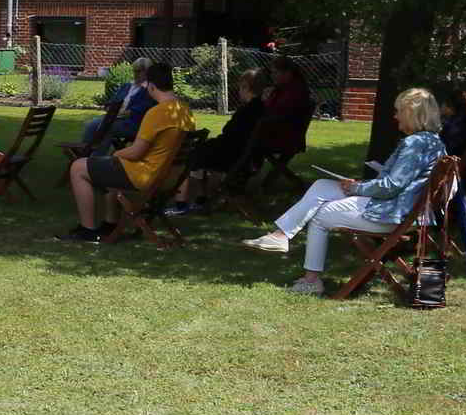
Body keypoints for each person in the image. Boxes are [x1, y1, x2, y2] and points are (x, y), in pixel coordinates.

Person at [240, 87, 446, 295]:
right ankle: (281, 235)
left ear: (411, 113)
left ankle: (310, 280)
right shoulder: (433, 142)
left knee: (320, 214)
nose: (395, 116)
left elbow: (391, 187)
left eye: (398, 111)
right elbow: (397, 184)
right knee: (322, 185)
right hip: (404, 209)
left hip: (395, 213)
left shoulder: (415, 144)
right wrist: (358, 186)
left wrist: (357, 187)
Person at [59, 63, 195, 242]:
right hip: (168, 176)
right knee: (107, 169)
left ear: (151, 85)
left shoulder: (156, 113)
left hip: (145, 175)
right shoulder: (185, 111)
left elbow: (136, 152)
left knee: (78, 167)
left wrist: (116, 155)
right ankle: (110, 224)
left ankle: (88, 230)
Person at [165, 68, 268, 216]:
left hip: (233, 157)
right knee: (199, 152)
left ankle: (182, 203)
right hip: (248, 157)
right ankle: (201, 199)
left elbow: (229, 133)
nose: (239, 91)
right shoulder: (261, 109)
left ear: (246, 87)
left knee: (190, 156)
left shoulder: (246, 111)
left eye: (240, 87)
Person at [83, 56, 154, 148]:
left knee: (102, 127)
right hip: (115, 118)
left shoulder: (150, 90)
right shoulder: (127, 86)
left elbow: (141, 110)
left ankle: (93, 155)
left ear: (147, 72)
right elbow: (112, 101)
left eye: (139, 71)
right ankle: (87, 152)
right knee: (91, 124)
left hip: (133, 124)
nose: (136, 74)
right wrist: (109, 107)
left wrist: (121, 113)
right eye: (135, 70)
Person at [256, 56, 316, 157]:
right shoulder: (286, 89)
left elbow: (279, 113)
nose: (272, 75)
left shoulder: (294, 92)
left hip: (282, 139)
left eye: (275, 72)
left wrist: (264, 103)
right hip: (283, 136)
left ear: (287, 73)